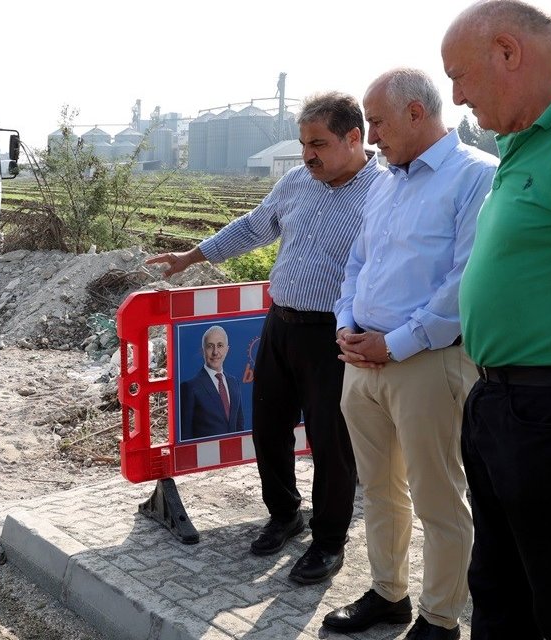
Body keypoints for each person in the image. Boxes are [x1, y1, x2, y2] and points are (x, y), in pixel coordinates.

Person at [146, 91, 385, 585]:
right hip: (280, 325)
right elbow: (255, 226)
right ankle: (284, 514)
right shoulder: (298, 182)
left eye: (317, 143)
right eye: (303, 143)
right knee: (267, 426)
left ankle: (328, 541)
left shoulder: (385, 191)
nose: (306, 155)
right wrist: (190, 258)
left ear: (354, 138)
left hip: (336, 335)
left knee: (331, 443)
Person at [323, 68, 497, 640]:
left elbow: (464, 280)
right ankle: (388, 594)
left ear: (417, 114)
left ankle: (441, 617)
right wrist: (348, 324)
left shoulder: (475, 177)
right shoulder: (385, 182)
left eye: (377, 122)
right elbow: (358, 264)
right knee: (377, 490)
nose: (370, 136)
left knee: (438, 497)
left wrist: (394, 343)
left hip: (426, 363)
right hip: (362, 362)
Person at [440, 3, 551, 639]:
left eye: (460, 77)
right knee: (498, 588)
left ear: (507, 52)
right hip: (500, 401)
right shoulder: (524, 139)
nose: (458, 97)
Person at [177, 324, 245, 440]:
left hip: (232, 453)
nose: (215, 352)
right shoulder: (190, 387)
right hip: (205, 455)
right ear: (202, 351)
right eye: (210, 346)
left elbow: (239, 425)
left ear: (227, 350)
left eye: (220, 346)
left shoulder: (234, 383)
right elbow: (185, 433)